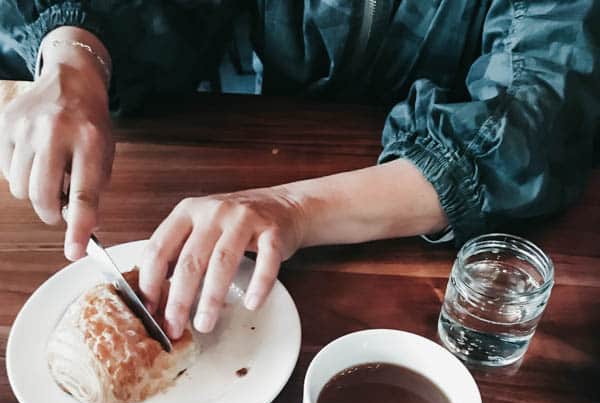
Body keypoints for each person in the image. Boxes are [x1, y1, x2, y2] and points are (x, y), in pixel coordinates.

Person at [1, 1, 598, 340]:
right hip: (197, 138)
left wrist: (292, 209)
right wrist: (73, 53)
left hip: (410, 244)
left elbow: (538, 117)